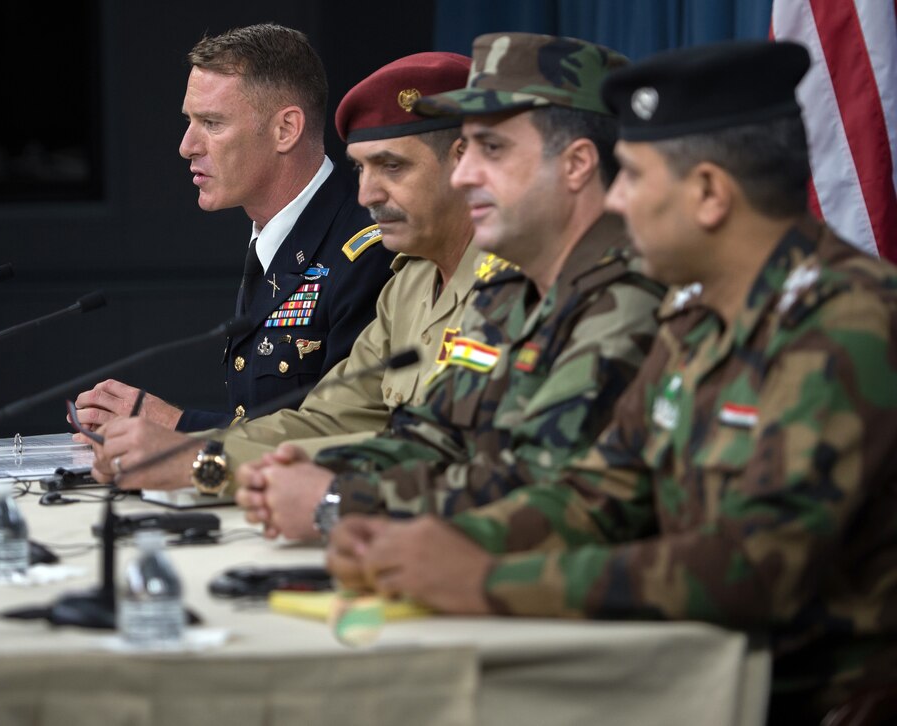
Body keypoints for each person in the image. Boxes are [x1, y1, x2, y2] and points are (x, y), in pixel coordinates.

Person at [327, 40, 897, 724]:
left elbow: (754, 567)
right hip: (690, 683)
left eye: (632, 176)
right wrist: (437, 545)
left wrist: (484, 579)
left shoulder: (845, 322)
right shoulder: (696, 316)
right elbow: (602, 490)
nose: (616, 199)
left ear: (711, 193)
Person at [237, 33, 665, 542]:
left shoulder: (629, 294)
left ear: (576, 165)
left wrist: (336, 502)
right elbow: (432, 439)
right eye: (466, 150)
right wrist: (285, 473)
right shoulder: (511, 291)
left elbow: (541, 490)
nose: (464, 175)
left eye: (492, 149)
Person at [84, 52, 490, 493]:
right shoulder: (410, 284)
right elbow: (325, 423)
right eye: (361, 167)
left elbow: (459, 461)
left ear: (465, 163)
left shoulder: (520, 285)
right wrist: (192, 456)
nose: (368, 192)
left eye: (392, 166)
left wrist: (196, 455)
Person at [71, 24, 394, 437]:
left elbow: (339, 434)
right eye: (190, 121)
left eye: (212, 123)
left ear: (286, 130)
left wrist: (176, 425)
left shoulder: (368, 252)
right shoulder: (273, 239)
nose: (187, 145)